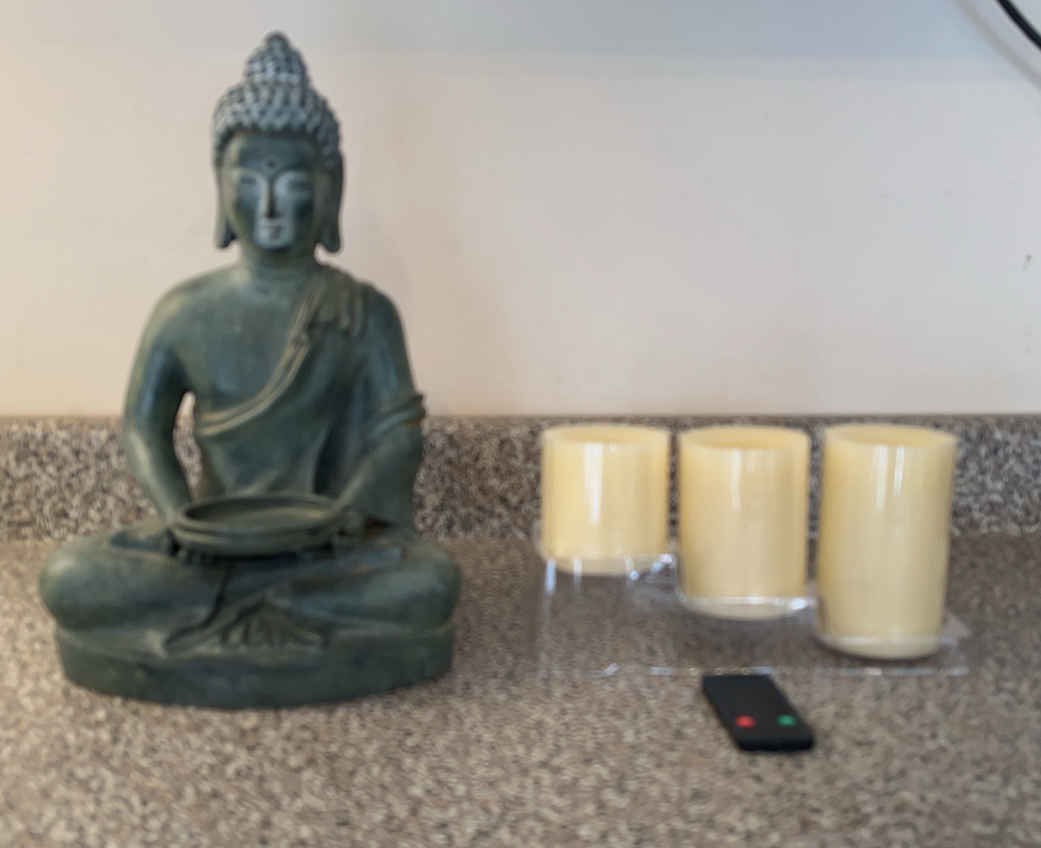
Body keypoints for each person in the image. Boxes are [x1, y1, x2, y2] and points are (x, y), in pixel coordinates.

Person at [39, 34, 460, 707]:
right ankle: (274, 614)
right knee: (69, 577)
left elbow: (398, 439)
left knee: (431, 581)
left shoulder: (362, 311)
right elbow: (142, 429)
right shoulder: (183, 312)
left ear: (329, 189)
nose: (268, 206)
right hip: (209, 549)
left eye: (291, 182)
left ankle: (251, 612)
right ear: (219, 187)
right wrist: (177, 517)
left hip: (325, 551)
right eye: (249, 180)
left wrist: (344, 515)